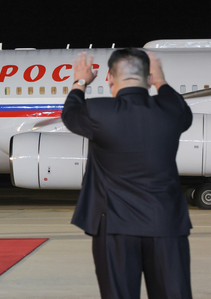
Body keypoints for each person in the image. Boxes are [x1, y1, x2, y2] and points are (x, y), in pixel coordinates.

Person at [61, 48, 193, 299]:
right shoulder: (171, 111)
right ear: (149, 78)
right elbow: (179, 107)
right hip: (165, 223)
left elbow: (69, 114)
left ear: (109, 76)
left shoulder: (97, 111)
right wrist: (162, 81)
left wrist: (80, 82)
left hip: (114, 227)